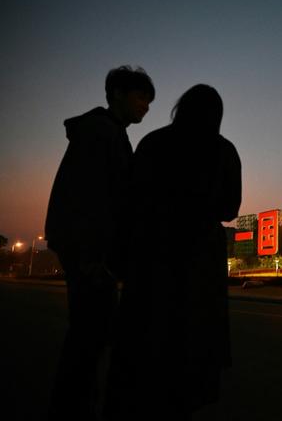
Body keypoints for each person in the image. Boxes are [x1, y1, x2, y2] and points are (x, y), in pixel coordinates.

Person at [104, 84, 241, 420]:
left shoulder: (153, 143)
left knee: (148, 341)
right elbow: (230, 207)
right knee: (192, 345)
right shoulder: (224, 150)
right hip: (200, 260)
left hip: (153, 255)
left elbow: (129, 202)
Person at [45, 66, 155, 420]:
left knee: (90, 337)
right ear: (118, 94)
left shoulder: (111, 133)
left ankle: (76, 403)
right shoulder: (100, 133)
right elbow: (88, 198)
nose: (146, 107)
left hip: (94, 252)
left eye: (149, 101)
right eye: (141, 97)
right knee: (88, 338)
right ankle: (72, 408)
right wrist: (92, 256)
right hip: (90, 254)